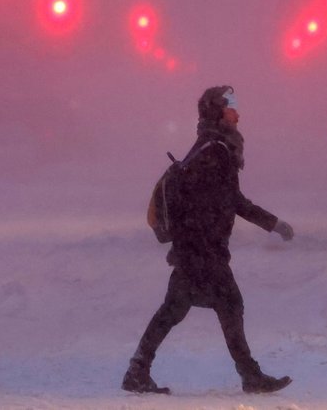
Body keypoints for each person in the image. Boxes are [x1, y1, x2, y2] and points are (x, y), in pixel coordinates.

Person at [122, 85, 295, 395]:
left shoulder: (206, 146)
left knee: (174, 309)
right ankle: (250, 376)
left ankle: (138, 369)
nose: (238, 113)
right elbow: (232, 201)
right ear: (218, 111)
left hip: (194, 249)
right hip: (204, 252)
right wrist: (274, 224)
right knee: (229, 304)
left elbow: (216, 201)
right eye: (231, 107)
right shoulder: (217, 151)